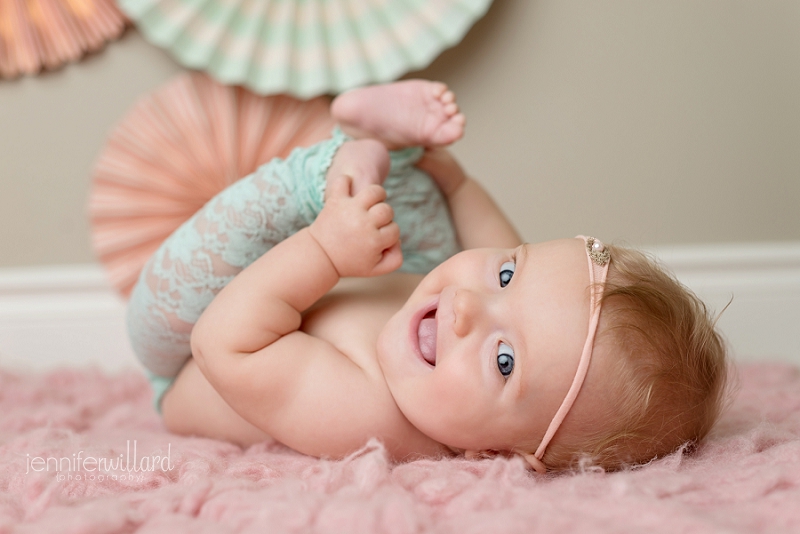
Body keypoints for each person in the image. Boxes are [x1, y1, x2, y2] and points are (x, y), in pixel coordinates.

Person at [127, 80, 728, 472]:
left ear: (496, 453)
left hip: (186, 341)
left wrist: (326, 252)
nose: (467, 308)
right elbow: (496, 245)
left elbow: (224, 343)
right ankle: (393, 150)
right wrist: (455, 181)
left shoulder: (371, 415)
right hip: (324, 289)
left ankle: (340, 158)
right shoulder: (455, 329)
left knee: (291, 210)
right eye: (507, 278)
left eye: (504, 361)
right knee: (424, 223)